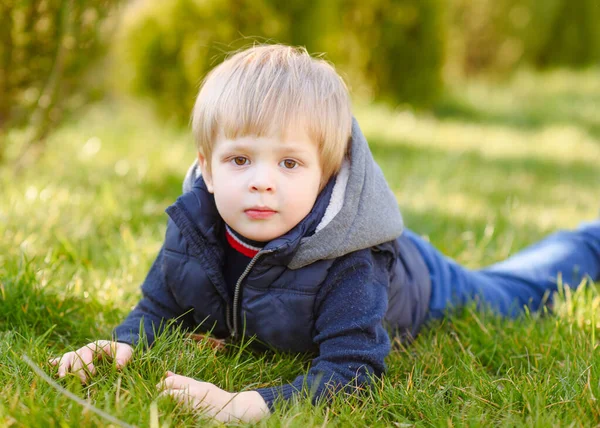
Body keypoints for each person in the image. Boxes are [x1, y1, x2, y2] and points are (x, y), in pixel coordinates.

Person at [50, 44, 600, 423]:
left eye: (289, 164)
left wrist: (249, 403)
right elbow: (157, 307)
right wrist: (117, 343)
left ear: (326, 173)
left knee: (521, 290)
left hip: (423, 282)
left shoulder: (349, 261)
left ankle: (590, 241)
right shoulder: (193, 230)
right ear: (208, 168)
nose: (262, 183)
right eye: (240, 159)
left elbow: (353, 371)